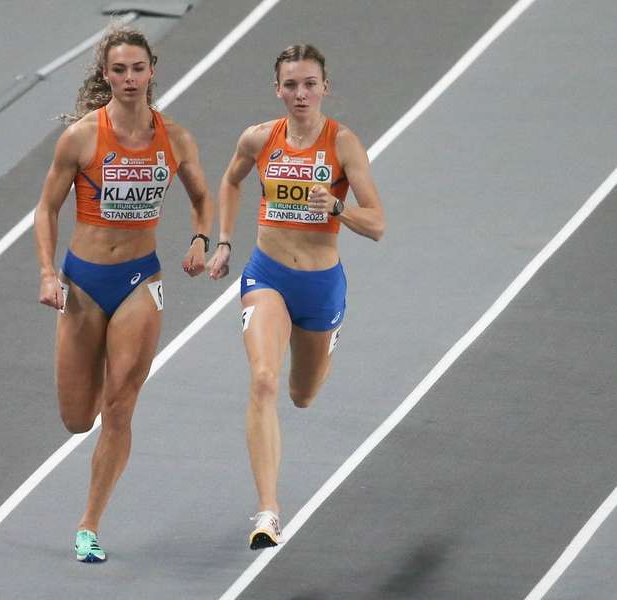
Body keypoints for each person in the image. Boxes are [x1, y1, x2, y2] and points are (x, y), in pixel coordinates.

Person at [34, 25, 213, 563]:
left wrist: (202, 239)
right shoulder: (83, 137)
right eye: (119, 70)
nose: (130, 79)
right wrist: (47, 271)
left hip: (141, 280)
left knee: (120, 405)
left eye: (138, 69)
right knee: (76, 418)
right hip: (84, 283)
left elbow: (203, 199)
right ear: (106, 75)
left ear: (152, 70)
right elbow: (46, 208)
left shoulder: (174, 137)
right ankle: (89, 453)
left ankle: (89, 524)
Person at [205, 44, 385, 550]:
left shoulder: (343, 144)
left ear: (325, 87)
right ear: (277, 89)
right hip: (267, 276)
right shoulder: (260, 138)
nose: (300, 93)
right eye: (291, 84)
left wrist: (338, 207)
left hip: (321, 284)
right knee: (262, 379)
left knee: (301, 396)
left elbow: (377, 224)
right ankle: (268, 511)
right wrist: (223, 242)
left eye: (309, 83)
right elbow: (231, 180)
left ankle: (327, 339)